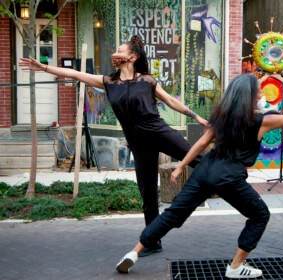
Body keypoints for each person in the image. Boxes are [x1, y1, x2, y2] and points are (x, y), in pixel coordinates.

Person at [115, 74, 283, 278]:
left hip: (204, 171)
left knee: (173, 214)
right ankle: (235, 266)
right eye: (258, 90)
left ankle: (134, 252)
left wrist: (182, 165)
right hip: (228, 176)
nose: (261, 92)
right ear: (250, 95)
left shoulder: (221, 116)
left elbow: (201, 143)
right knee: (260, 214)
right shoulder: (261, 121)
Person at [19, 35, 208, 257]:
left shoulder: (146, 81)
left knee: (196, 157)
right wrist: (45, 68)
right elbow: (74, 73)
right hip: (139, 143)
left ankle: (228, 179)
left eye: (120, 50)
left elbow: (171, 101)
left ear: (132, 57)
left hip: (159, 132)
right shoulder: (109, 82)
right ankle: (153, 241)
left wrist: (197, 118)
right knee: (147, 193)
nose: (115, 53)